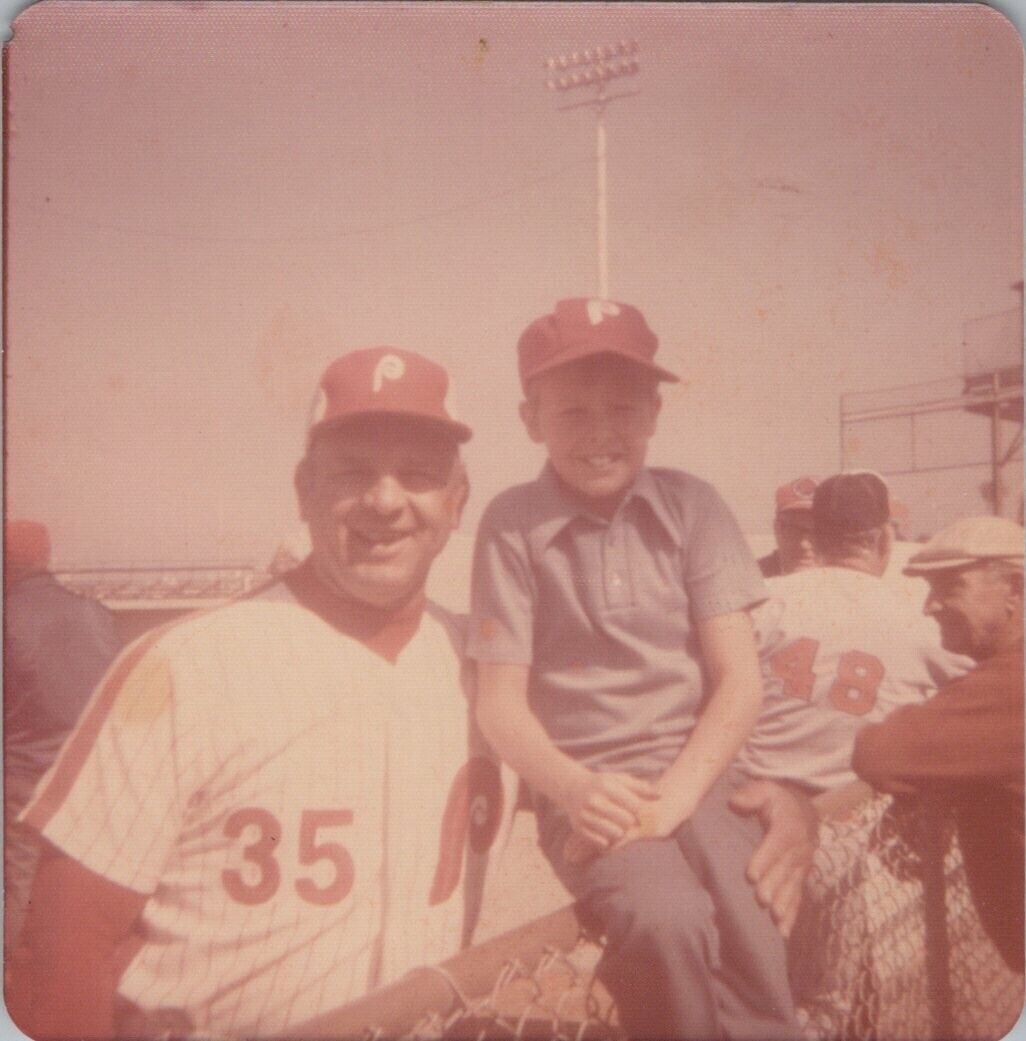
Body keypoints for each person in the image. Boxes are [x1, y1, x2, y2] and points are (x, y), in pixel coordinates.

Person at [10, 348, 511, 1039]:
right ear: (305, 490)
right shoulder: (187, 664)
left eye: (419, 474)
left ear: (458, 502)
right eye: (352, 472)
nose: (386, 500)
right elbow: (62, 949)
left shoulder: (492, 673)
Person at [469, 298, 798, 1040]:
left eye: (623, 408)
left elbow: (738, 682)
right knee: (666, 917)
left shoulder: (694, 507)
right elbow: (499, 705)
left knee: (753, 907)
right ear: (530, 418)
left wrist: (676, 797)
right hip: (592, 790)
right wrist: (574, 787)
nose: (601, 433)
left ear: (654, 412)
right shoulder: (510, 524)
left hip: (701, 773)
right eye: (573, 412)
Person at [853, 515, 1024, 973]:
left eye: (950, 587)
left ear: (1015, 588)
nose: (930, 607)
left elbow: (879, 751)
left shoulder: (1010, 684)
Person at [738, 472, 970, 792]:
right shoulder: (921, 618)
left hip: (756, 804)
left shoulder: (760, 600)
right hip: (862, 816)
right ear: (884, 539)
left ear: (816, 537)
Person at [3, 520, 123, 963]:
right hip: (91, 776)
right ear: (46, 557)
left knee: (19, 881)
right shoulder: (95, 613)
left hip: (23, 776)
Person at [758, 476, 821, 578]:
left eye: (815, 532)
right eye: (793, 531)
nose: (804, 545)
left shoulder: (845, 584)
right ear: (777, 529)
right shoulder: (750, 578)